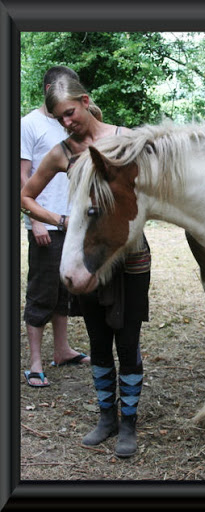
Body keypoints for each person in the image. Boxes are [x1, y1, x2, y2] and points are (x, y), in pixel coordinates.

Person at [21, 76, 151, 458]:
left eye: (70, 113)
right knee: (97, 341)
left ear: (85, 101)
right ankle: (106, 418)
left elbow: (152, 192)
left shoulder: (126, 140)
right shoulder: (62, 153)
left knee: (127, 342)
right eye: (59, 118)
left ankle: (129, 423)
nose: (66, 123)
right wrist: (60, 221)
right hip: (86, 259)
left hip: (130, 258)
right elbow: (26, 195)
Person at [21, 66, 90, 388]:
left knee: (65, 289)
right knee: (41, 291)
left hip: (74, 222)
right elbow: (21, 177)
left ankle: (61, 350)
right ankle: (35, 362)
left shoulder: (71, 124)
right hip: (46, 222)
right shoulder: (29, 124)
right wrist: (35, 221)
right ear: (50, 87)